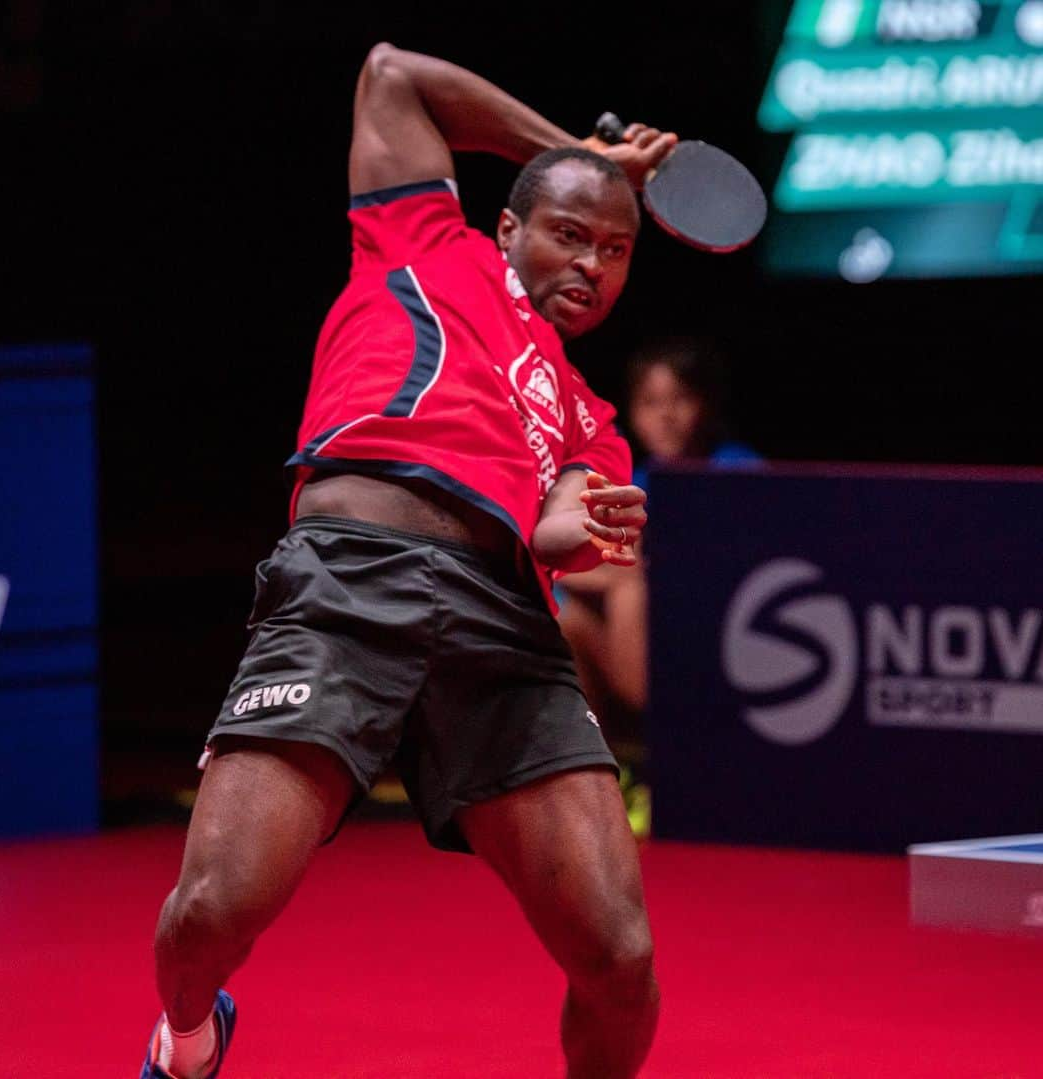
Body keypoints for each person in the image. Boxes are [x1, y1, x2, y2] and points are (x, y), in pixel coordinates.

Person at [139, 43, 678, 1079]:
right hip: (347, 582)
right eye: (572, 233)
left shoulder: (590, 413)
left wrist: (574, 527)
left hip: (504, 627)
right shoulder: (418, 239)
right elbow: (393, 73)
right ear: (506, 225)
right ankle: (190, 1038)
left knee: (621, 958)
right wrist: (576, 148)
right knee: (207, 915)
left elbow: (565, 516)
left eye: (617, 251)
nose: (592, 266)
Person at [556, 336, 761, 831]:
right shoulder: (633, 479)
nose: (665, 416)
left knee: (627, 587)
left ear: (707, 404)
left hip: (724, 652)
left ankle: (661, 757)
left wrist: (630, 573)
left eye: (680, 399)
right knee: (568, 618)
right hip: (644, 644)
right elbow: (590, 563)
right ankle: (606, 780)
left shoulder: (740, 473)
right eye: (650, 403)